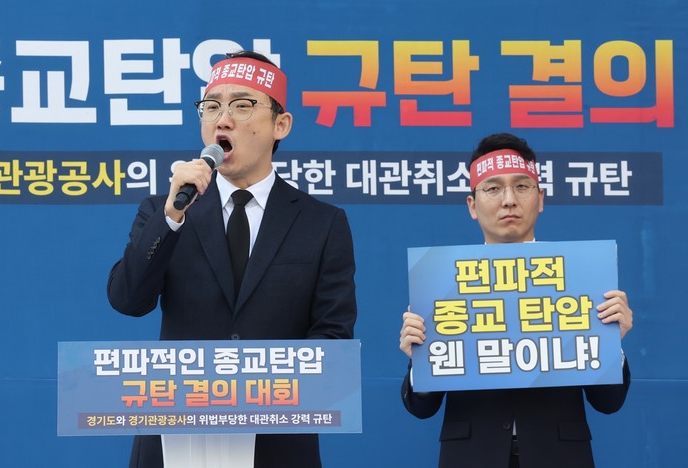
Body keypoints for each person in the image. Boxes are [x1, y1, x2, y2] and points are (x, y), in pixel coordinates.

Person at [108, 50, 357, 468]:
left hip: (277, 444)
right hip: (178, 437)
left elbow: (332, 340)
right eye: (211, 107)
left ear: (281, 125)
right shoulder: (165, 211)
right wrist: (171, 217)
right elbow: (127, 299)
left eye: (242, 106)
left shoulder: (322, 223)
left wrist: (259, 394)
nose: (222, 120)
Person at [398, 133, 633, 468]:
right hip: (470, 456)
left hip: (559, 456)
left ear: (540, 198)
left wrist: (612, 344)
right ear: (472, 205)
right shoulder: (444, 283)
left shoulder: (578, 278)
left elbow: (608, 402)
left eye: (521, 186)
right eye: (493, 188)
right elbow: (422, 407)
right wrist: (420, 360)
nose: (509, 200)